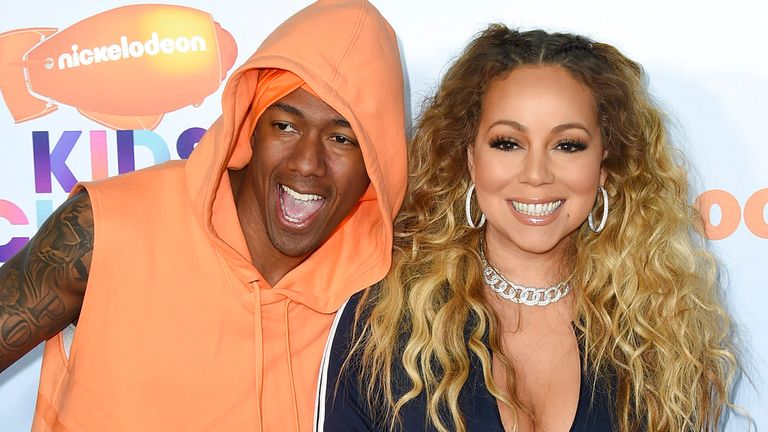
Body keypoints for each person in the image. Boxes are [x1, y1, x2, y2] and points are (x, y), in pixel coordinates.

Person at [0, 1, 407, 431]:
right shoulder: (104, 229)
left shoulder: (389, 292)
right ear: (250, 125)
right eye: (285, 125)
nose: (308, 162)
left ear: (376, 163)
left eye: (342, 138)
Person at [318, 25, 739, 431]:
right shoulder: (380, 322)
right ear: (470, 158)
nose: (537, 174)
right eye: (508, 143)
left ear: (604, 166)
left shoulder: (662, 334)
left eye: (567, 145)